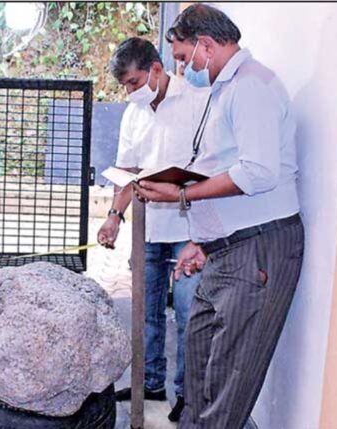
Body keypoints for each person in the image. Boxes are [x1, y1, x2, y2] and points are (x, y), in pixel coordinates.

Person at [136, 4, 305, 428]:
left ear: (206, 46)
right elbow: (223, 166)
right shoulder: (224, 88)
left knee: (229, 384)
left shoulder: (251, 87)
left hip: (258, 252)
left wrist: (184, 192)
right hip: (228, 251)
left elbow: (258, 172)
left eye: (181, 57)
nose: (181, 68)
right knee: (199, 370)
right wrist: (204, 240)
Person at [97, 37, 205, 423]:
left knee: (190, 312)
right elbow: (125, 170)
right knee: (146, 310)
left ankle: (186, 394)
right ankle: (149, 382)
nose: (129, 92)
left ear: (155, 70)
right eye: (125, 86)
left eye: (133, 82)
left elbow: (208, 166)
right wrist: (114, 215)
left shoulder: (196, 103)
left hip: (188, 226)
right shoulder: (134, 113)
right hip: (147, 226)